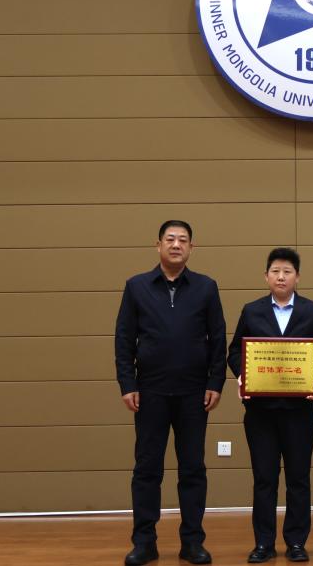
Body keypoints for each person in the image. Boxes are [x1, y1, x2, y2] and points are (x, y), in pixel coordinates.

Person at [115, 220, 226, 566]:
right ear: (158, 245)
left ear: (192, 247)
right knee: (147, 469)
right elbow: (123, 339)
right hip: (150, 392)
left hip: (194, 393)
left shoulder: (206, 287)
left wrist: (215, 382)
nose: (176, 245)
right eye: (170, 239)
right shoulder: (137, 286)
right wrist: (128, 384)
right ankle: (144, 542)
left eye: (183, 240)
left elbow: (218, 338)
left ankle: (192, 542)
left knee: (192, 469)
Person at [227, 248, 313, 564]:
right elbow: (234, 352)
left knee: (298, 478)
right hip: (260, 411)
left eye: (287, 271)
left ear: (297, 277)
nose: (281, 277)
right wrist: (242, 376)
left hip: (300, 411)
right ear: (266, 276)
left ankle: (296, 542)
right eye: (275, 271)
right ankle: (263, 543)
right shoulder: (251, 311)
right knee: (264, 478)